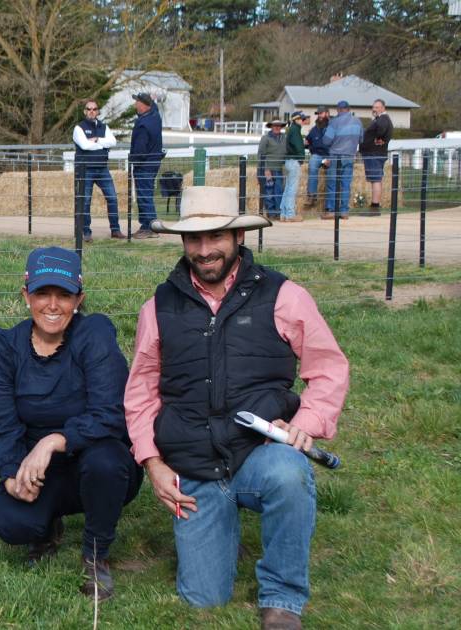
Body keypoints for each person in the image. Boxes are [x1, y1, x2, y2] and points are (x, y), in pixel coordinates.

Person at [124, 186, 350, 630]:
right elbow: (141, 391)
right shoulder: (159, 306)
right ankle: (219, 531)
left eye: (216, 236)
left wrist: (307, 422)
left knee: (288, 473)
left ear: (239, 237)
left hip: (257, 452)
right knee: (203, 599)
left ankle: (282, 596)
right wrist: (152, 462)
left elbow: (328, 367)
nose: (205, 250)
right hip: (193, 464)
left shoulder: (284, 296)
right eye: (194, 239)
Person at [0, 246, 141, 600]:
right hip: (39, 469)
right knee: (13, 524)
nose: (52, 305)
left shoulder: (94, 334)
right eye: (42, 293)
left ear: (79, 298)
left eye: (64, 295)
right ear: (26, 295)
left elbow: (112, 412)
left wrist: (54, 440)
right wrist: (11, 473)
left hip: (96, 457)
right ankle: (46, 527)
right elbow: (0, 422)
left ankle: (95, 554)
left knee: (106, 463)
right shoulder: (6, 346)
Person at [73, 100, 126, 242]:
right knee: (85, 202)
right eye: (88, 109)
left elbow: (113, 142)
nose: (91, 111)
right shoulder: (79, 128)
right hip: (86, 170)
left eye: (94, 109)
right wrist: (102, 144)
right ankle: (86, 232)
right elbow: (84, 146)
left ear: (97, 111)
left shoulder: (104, 127)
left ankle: (115, 230)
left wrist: (96, 140)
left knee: (113, 198)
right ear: (85, 111)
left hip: (102, 168)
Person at [128, 92, 164, 238]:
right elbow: (154, 106)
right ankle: (146, 225)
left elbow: (140, 148)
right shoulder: (155, 116)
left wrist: (133, 159)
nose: (135, 104)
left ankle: (150, 228)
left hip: (144, 164)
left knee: (144, 196)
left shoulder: (143, 124)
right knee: (146, 194)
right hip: (153, 161)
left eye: (137, 101)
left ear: (143, 105)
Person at [322, 100, 363, 220]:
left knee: (332, 183)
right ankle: (344, 211)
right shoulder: (358, 122)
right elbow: (361, 139)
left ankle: (331, 210)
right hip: (350, 156)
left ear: (338, 110)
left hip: (336, 155)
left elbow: (326, 141)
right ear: (349, 109)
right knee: (346, 184)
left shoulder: (334, 122)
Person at [359, 99, 393, 217]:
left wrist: (378, 138)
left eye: (377, 107)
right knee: (375, 179)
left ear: (383, 108)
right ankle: (374, 206)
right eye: (373, 107)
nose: (374, 109)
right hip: (374, 153)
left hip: (374, 153)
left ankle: (375, 207)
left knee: (375, 179)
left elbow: (382, 129)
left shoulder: (383, 119)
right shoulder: (380, 119)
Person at [280, 112, 309, 222]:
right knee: (292, 188)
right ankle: (290, 214)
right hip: (294, 161)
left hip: (288, 161)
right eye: (302, 119)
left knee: (287, 188)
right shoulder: (296, 130)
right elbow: (298, 147)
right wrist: (302, 156)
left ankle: (283, 213)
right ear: (297, 120)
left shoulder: (291, 129)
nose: (303, 120)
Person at [256, 120, 287, 219]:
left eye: (279, 126)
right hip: (268, 168)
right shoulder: (265, 138)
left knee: (279, 191)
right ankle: (271, 213)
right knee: (269, 192)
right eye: (275, 126)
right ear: (271, 127)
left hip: (280, 168)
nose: (277, 127)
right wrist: (264, 169)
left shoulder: (284, 138)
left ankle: (278, 212)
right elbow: (261, 155)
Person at [303, 106, 331, 211]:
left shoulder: (332, 127)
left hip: (329, 155)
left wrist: (331, 157)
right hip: (317, 155)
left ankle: (329, 203)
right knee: (312, 165)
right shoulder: (314, 129)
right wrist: (307, 144)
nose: (319, 115)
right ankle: (312, 195)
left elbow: (336, 143)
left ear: (327, 114)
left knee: (331, 174)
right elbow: (307, 141)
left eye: (321, 113)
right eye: (318, 114)